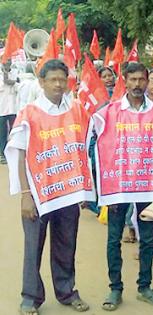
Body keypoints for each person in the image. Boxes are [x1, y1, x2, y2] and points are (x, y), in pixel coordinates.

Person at [5, 59, 92, 315]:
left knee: (67, 245)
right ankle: (30, 297)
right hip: (39, 194)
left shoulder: (76, 109)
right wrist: (25, 195)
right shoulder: (29, 113)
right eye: (52, 79)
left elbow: (84, 146)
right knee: (34, 247)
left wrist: (85, 190)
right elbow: (19, 154)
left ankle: (67, 292)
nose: (58, 84)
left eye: (62, 79)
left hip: (67, 193)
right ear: (41, 82)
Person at [93, 63, 153, 311]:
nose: (137, 84)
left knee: (148, 239)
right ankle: (115, 288)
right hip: (119, 187)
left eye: (141, 80)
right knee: (114, 238)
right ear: (125, 80)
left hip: (148, 186)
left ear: (147, 82)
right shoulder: (109, 112)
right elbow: (95, 143)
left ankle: (145, 286)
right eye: (132, 79)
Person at [0, 59, 18, 164]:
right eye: (5, 62)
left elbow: (17, 85)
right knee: (2, 133)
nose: (7, 63)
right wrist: (6, 77)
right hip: (2, 109)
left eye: (8, 61)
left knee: (13, 131)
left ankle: (12, 153)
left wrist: (12, 81)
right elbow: (6, 82)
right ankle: (2, 153)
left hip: (13, 108)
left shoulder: (15, 72)